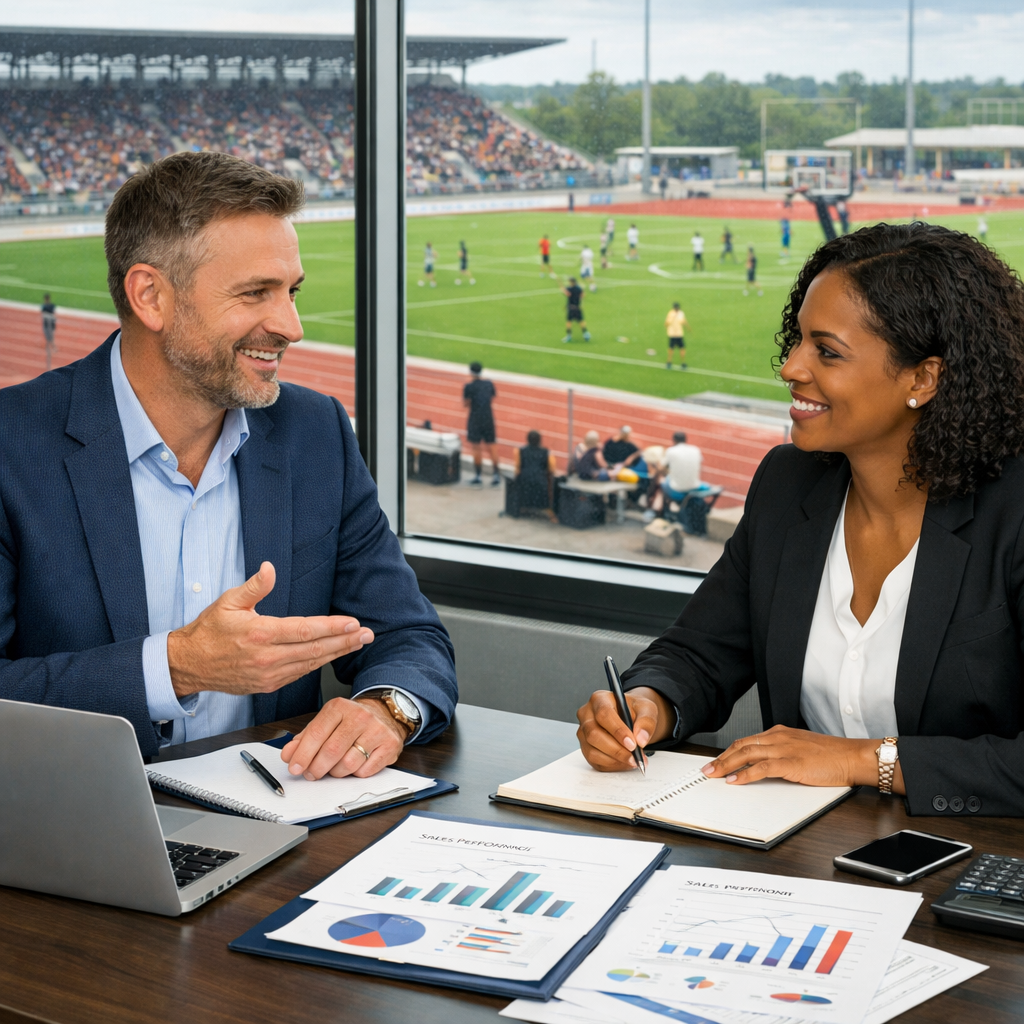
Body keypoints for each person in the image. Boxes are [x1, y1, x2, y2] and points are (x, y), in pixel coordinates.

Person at [0, 151, 458, 778]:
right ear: (150, 296)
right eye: (255, 294)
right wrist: (176, 666)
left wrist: (386, 709)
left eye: (291, 292)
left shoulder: (314, 433)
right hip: (69, 837)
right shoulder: (12, 446)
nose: (291, 326)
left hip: (278, 837)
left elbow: (409, 635)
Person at [576, 222, 1024, 819]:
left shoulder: (1013, 512)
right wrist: (647, 702)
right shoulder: (788, 485)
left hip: (973, 870)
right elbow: (700, 651)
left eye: (826, 351)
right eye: (798, 341)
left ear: (923, 378)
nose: (790, 367)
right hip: (796, 856)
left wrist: (863, 760)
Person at [647, 431, 702, 520]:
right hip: (694, 485)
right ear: (685, 440)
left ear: (674, 440)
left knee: (660, 481)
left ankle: (656, 509)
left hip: (678, 488)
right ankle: (658, 508)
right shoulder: (696, 450)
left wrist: (655, 463)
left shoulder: (671, 451)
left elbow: (661, 468)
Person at [463, 361, 499, 486]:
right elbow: (492, 397)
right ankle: (496, 475)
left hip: (475, 418)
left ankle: (478, 476)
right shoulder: (489, 384)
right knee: (492, 446)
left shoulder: (469, 386)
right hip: (488, 417)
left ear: (470, 372)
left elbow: (466, 404)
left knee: (476, 447)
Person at [510, 430, 557, 520]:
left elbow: (517, 469)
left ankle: (520, 506)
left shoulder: (520, 451)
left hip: (524, 483)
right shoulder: (546, 452)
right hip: (540, 484)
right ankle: (550, 512)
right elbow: (552, 469)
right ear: (540, 440)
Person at [561, 277, 591, 343]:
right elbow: (583, 295)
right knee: (581, 321)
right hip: (578, 307)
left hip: (571, 308)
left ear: (571, 282)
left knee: (569, 322)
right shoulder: (578, 288)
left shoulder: (569, 288)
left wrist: (563, 290)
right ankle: (585, 334)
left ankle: (569, 336)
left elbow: (567, 294)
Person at [665, 302, 687, 370]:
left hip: (679, 334)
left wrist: (687, 326)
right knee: (672, 348)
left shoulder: (680, 313)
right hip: (673, 334)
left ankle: (682, 363)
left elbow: (683, 321)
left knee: (682, 348)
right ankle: (669, 362)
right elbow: (667, 323)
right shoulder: (671, 314)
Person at [40, 293, 57, 371]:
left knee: (51, 337)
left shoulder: (48, 306)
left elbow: (50, 315)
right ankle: (51, 347)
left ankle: (53, 347)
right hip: (47, 324)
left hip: (50, 324)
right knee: (48, 337)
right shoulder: (46, 306)